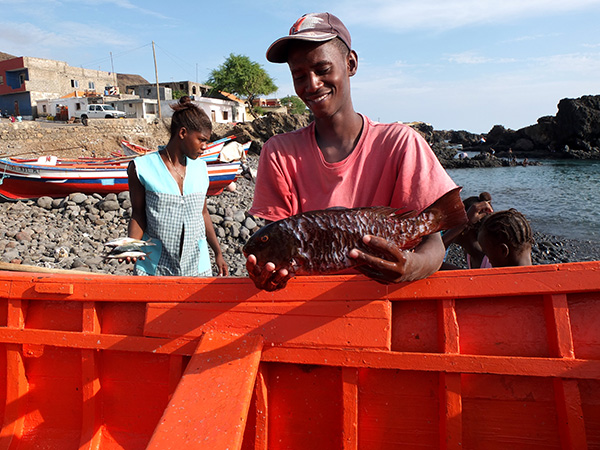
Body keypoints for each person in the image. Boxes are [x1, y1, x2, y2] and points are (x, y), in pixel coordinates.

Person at [245, 12, 458, 291]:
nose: (311, 84)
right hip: (307, 309)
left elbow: (434, 242)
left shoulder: (401, 142)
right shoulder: (278, 153)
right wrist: (268, 276)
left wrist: (410, 267)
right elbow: (279, 242)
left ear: (351, 63)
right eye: (299, 76)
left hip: (386, 300)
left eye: (322, 69)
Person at [126, 96, 228, 277]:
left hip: (196, 265)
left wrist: (218, 253)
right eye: (201, 140)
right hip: (155, 265)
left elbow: (202, 213)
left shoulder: (201, 169)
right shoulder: (141, 167)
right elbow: (138, 213)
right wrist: (131, 245)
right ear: (182, 133)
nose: (205, 147)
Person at [441, 192, 493, 270]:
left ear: (465, 229)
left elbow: (433, 257)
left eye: (454, 223)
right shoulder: (470, 254)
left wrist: (465, 223)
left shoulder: (490, 262)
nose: (449, 228)